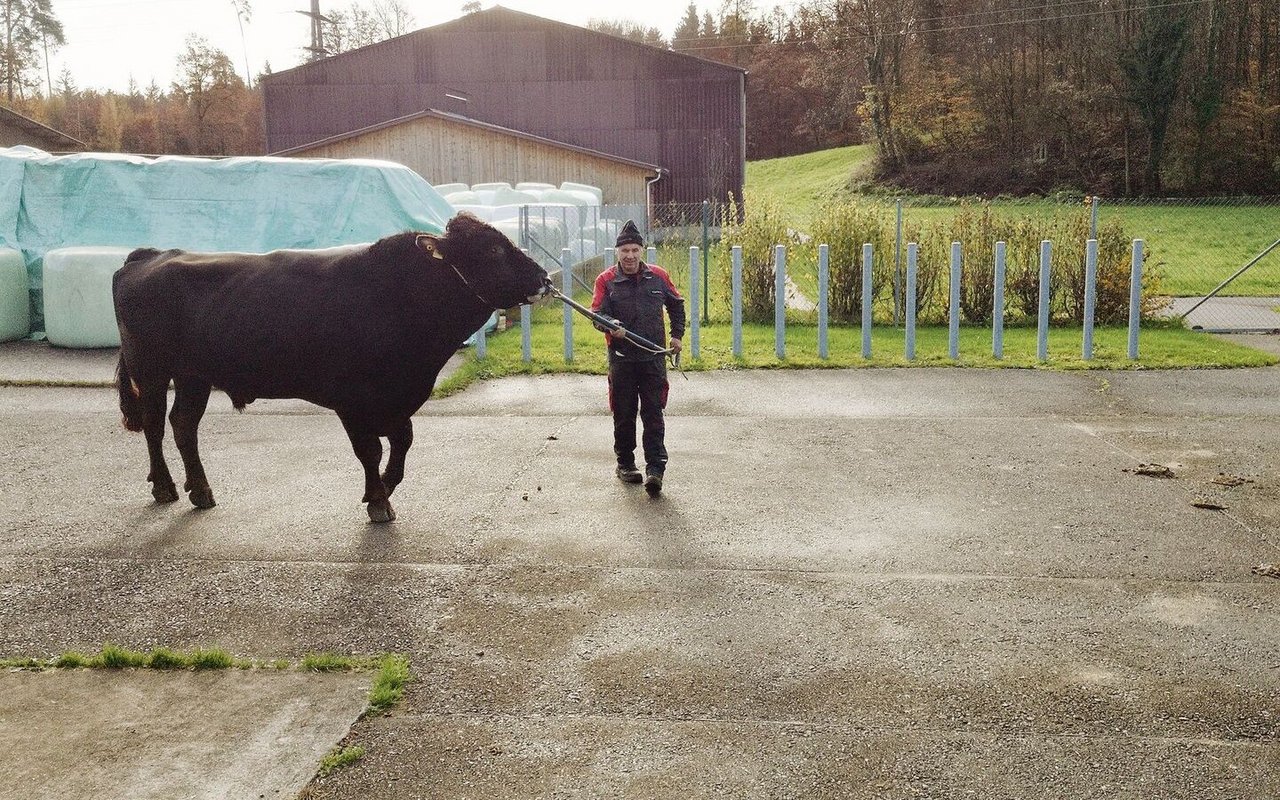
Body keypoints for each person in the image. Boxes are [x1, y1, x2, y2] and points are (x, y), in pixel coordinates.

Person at [591, 220, 686, 496]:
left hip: (653, 358)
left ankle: (656, 469)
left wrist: (677, 336)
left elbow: (676, 305)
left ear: (641, 251)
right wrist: (611, 325)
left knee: (653, 413)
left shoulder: (658, 276)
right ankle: (625, 464)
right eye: (625, 251)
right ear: (617, 252)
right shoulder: (606, 280)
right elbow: (596, 314)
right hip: (622, 360)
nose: (630, 256)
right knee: (624, 413)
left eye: (634, 250)